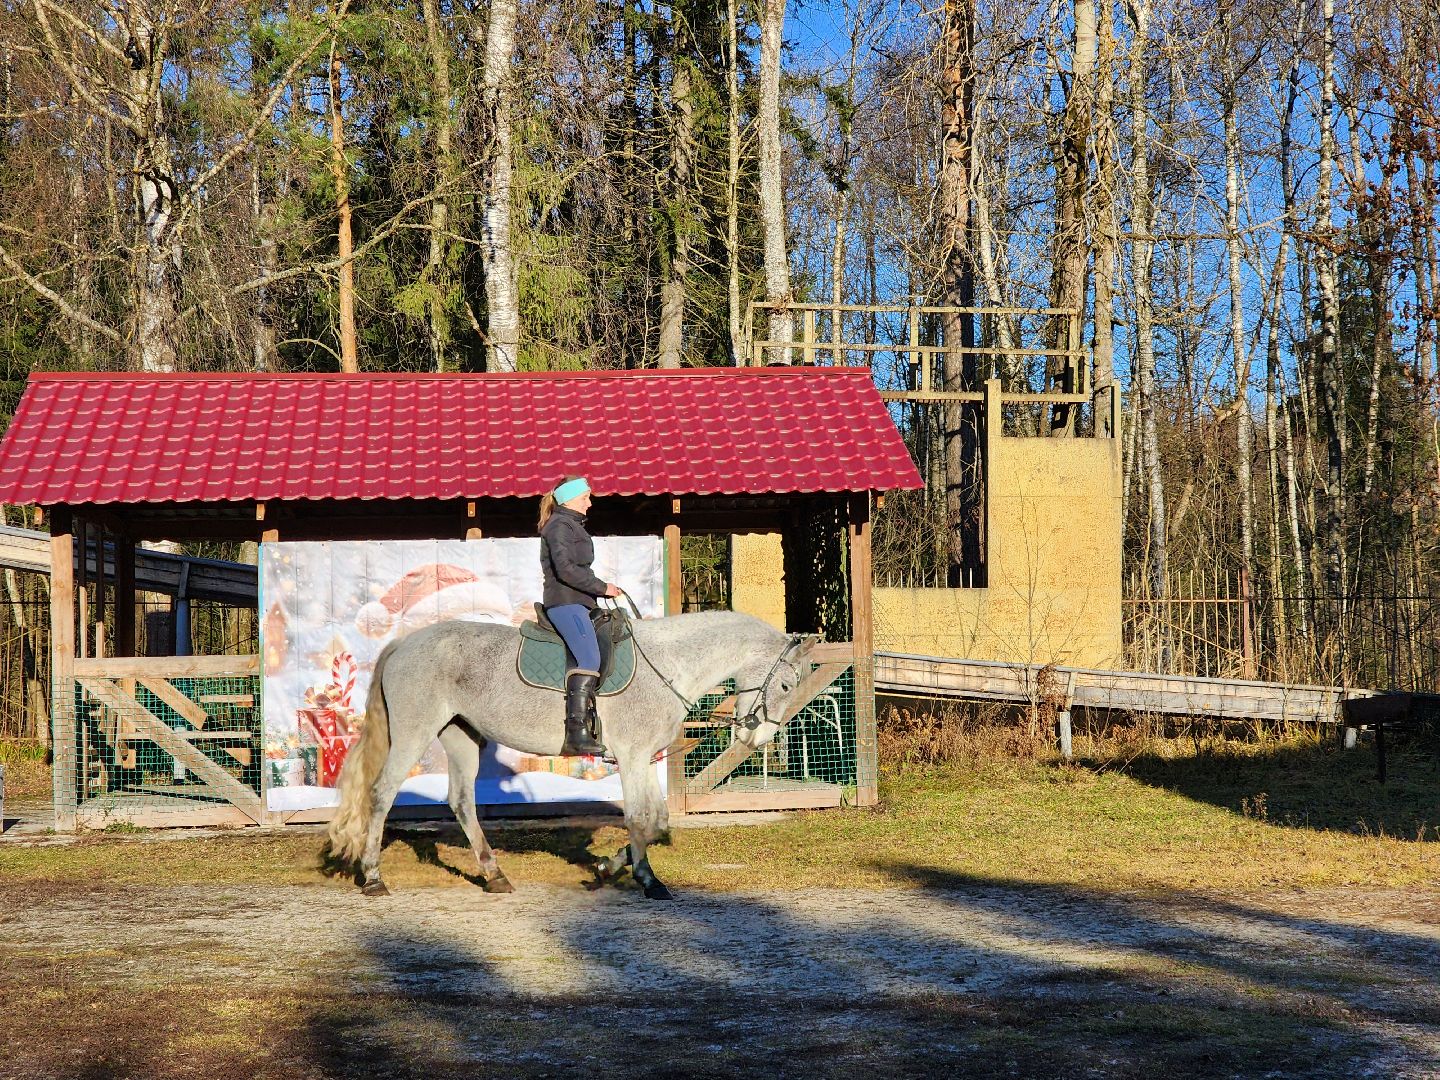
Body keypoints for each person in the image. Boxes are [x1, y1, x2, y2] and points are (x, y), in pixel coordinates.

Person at [538, 476, 622, 756]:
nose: (590, 501)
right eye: (585, 496)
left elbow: (579, 569)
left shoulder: (570, 525)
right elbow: (566, 570)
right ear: (570, 499)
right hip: (565, 603)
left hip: (580, 601)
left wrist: (599, 591)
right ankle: (576, 732)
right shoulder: (559, 526)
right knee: (588, 658)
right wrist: (602, 587)